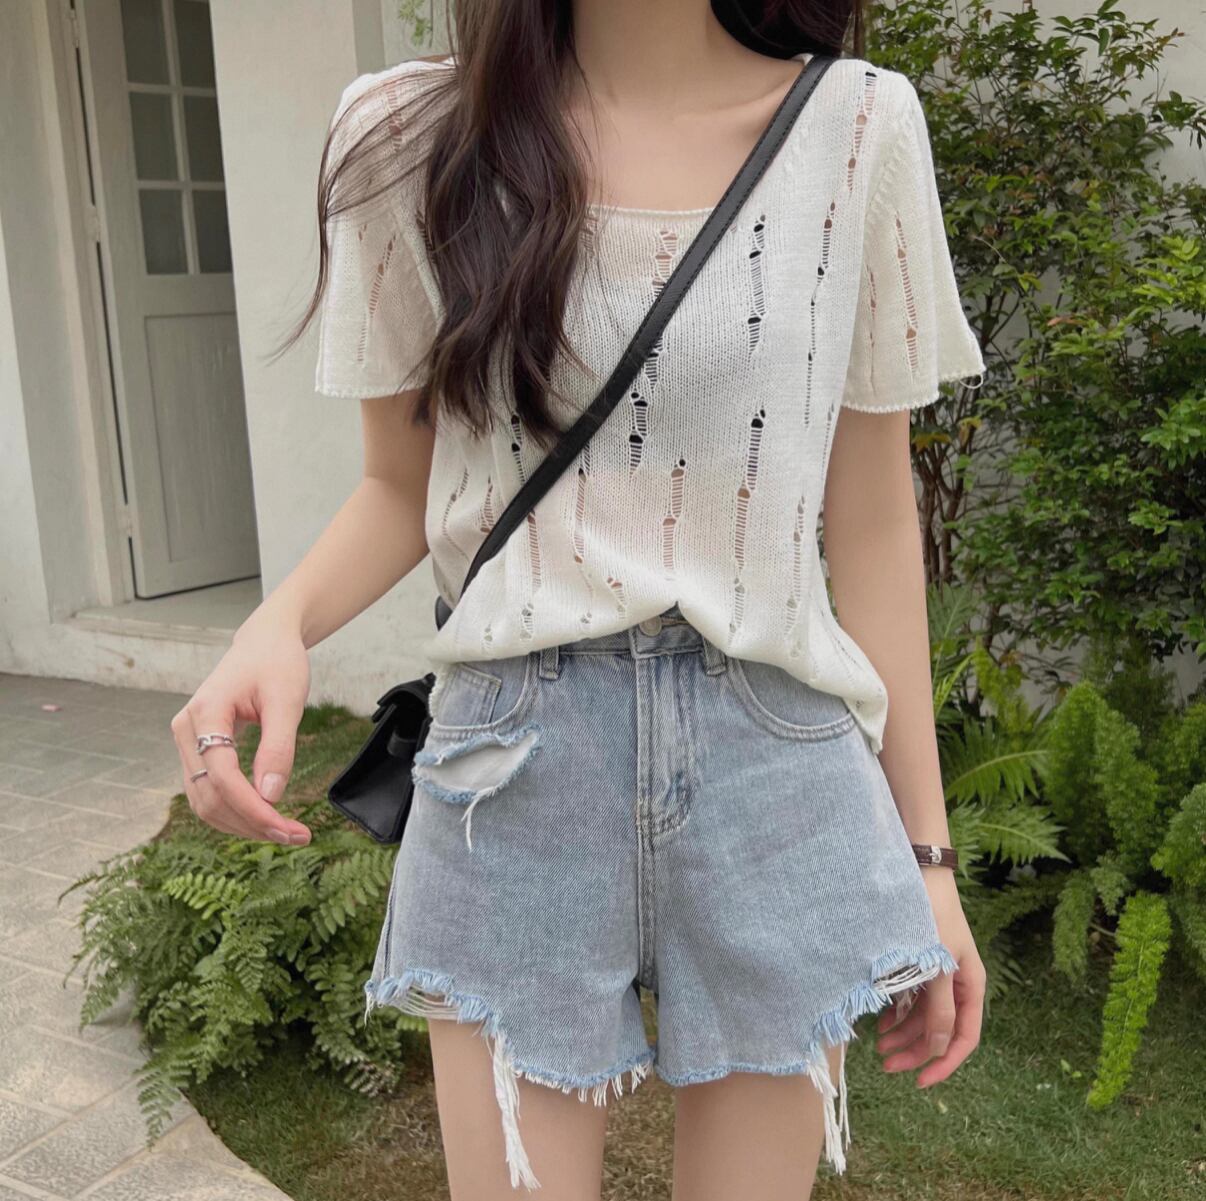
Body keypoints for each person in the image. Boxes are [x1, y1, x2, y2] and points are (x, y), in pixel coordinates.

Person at [171, 1, 988, 1196]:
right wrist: (276, 622)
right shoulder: (406, 135)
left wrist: (930, 861)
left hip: (775, 763)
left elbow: (868, 519)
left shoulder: (859, 126)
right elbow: (401, 483)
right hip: (517, 769)